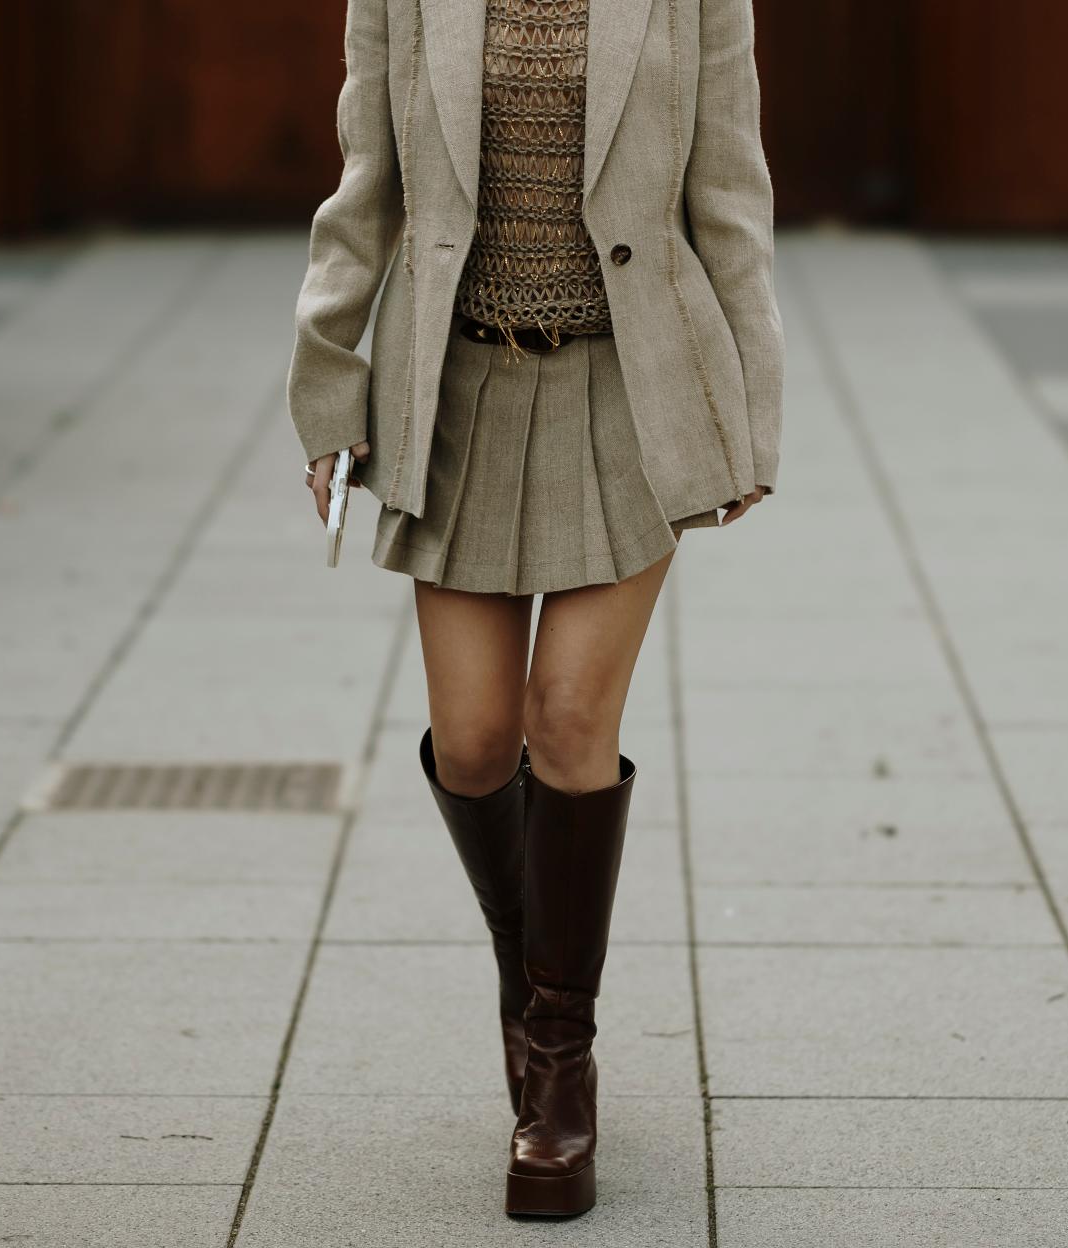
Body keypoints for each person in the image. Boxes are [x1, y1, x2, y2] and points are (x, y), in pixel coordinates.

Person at [289, 0, 783, 1218]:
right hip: (455, 391)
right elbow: (366, 193)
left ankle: (558, 1065)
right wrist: (328, 393)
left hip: (634, 389)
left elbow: (731, 195)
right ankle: (535, 978)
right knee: (471, 744)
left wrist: (753, 412)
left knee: (565, 721)